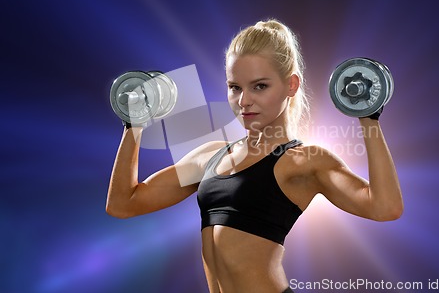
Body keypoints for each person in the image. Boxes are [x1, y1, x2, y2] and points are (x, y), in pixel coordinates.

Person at [106, 19, 403, 293]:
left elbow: (384, 207)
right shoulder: (211, 156)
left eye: (260, 86)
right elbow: (123, 203)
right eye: (235, 88)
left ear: (291, 85)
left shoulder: (304, 161)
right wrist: (135, 124)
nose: (244, 101)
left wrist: (368, 118)